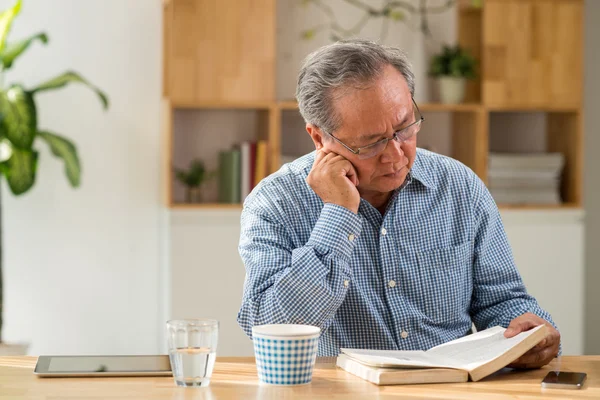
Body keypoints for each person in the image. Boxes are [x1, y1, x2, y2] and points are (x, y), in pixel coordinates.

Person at [237, 39, 560, 368]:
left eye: (405, 128)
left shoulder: (458, 186)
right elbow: (268, 326)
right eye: (372, 142)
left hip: (449, 390)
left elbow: (502, 300)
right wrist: (337, 215)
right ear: (319, 138)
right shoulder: (275, 202)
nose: (395, 155)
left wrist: (529, 333)